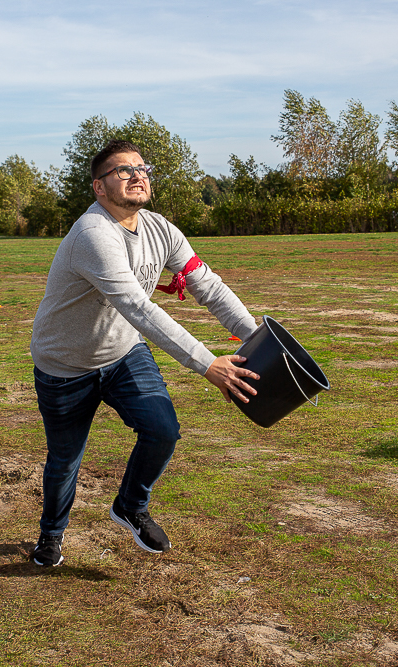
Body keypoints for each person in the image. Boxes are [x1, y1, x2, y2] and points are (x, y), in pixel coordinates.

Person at [29, 139, 260, 566]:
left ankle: (130, 506)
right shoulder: (94, 234)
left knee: (163, 430)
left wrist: (258, 337)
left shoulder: (161, 230)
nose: (137, 175)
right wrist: (207, 364)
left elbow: (207, 286)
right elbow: (138, 307)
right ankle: (51, 536)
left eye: (141, 168)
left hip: (122, 353)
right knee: (64, 461)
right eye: (123, 170)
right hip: (64, 366)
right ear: (99, 187)